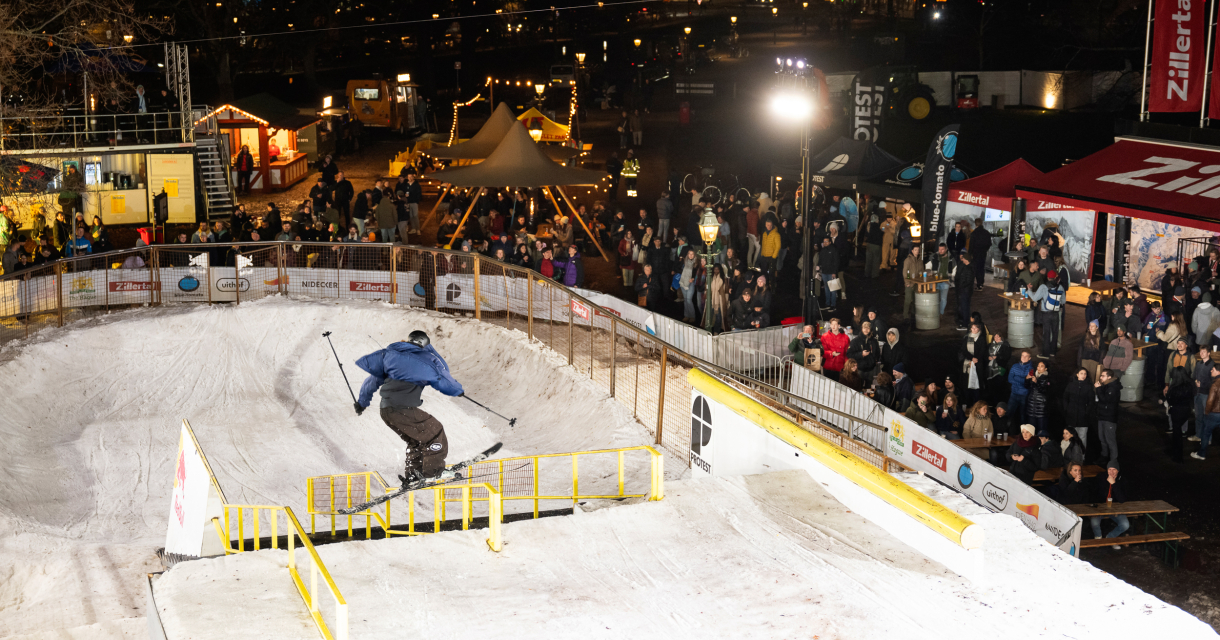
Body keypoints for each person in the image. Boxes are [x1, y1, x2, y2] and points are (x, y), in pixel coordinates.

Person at [354, 331, 464, 483]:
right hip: (402, 409)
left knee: (417, 440)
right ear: (425, 344)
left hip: (386, 410)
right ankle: (434, 472)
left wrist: (362, 403)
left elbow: (371, 382)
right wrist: (457, 390)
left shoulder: (390, 358)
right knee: (434, 431)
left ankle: (414, 473)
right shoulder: (426, 358)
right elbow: (443, 375)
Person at [1089, 461, 1129, 549]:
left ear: (1118, 471)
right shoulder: (1101, 477)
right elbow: (1094, 494)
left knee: (1125, 524)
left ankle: (1110, 538)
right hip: (1100, 508)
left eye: (1114, 469)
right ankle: (1098, 539)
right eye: (1109, 469)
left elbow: (1122, 499)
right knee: (1094, 522)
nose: (1111, 472)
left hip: (1115, 509)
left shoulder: (1122, 480)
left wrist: (1114, 484)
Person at [1062, 367, 1097, 450]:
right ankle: (1071, 456)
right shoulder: (1071, 385)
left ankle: (1081, 457)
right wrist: (1067, 409)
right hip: (1072, 415)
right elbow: (1065, 398)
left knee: (1082, 437)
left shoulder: (1088, 387)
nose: (1083, 375)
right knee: (1071, 436)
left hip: (1083, 416)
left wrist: (1086, 412)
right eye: (1081, 373)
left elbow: (1091, 401)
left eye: (1085, 374)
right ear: (1077, 374)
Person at [1166, 366, 1193, 463]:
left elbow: (1170, 400)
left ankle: (1178, 456)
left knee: (1177, 434)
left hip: (1177, 411)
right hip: (1186, 410)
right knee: (1179, 432)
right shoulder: (1189, 385)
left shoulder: (1174, 388)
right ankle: (1177, 453)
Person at [1095, 368, 1122, 464]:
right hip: (1102, 415)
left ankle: (1113, 460)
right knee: (1102, 438)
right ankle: (1104, 456)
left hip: (1109, 417)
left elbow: (1105, 400)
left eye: (1103, 376)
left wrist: (1098, 389)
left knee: (1110, 440)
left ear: (1109, 377)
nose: (1100, 377)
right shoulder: (1106, 386)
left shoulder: (1112, 388)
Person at [1193, 373, 1220, 460]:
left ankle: (1201, 454)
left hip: (1214, 413)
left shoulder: (1215, 384)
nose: (1211, 371)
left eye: (1213, 369)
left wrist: (1207, 413)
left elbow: (1210, 401)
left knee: (1205, 434)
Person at [1006, 350, 1034, 424]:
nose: (1023, 357)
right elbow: (1009, 379)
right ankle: (1006, 430)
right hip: (1014, 393)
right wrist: (1024, 379)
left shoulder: (1031, 369)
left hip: (1024, 395)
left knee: (1023, 416)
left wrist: (1016, 378)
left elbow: (1027, 384)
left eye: (1026, 356)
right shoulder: (1015, 366)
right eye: (1022, 355)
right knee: (1009, 413)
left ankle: (1022, 433)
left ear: (1029, 358)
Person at [1025, 360, 1052, 434]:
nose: (1039, 368)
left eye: (1041, 366)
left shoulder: (1048, 378)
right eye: (1038, 366)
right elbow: (1027, 387)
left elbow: (1045, 391)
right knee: (1031, 431)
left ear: (1046, 369)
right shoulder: (1034, 376)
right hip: (1031, 407)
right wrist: (1027, 379)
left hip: (1041, 409)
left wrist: (1036, 383)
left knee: (1042, 432)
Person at [817, 236, 840, 309]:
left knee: (833, 289)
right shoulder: (822, 250)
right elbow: (820, 260)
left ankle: (833, 305)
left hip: (831, 273)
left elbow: (836, 262)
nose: (825, 243)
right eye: (824, 241)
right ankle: (827, 304)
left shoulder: (833, 250)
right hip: (824, 272)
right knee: (826, 288)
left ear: (830, 242)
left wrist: (834, 272)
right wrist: (818, 266)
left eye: (826, 241)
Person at [900, 245, 922, 319]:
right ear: (912, 251)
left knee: (915, 300)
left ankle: (913, 314)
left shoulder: (920, 260)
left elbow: (922, 271)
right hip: (910, 283)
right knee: (908, 300)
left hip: (917, 283)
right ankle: (905, 315)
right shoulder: (908, 260)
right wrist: (907, 282)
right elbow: (905, 272)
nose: (917, 251)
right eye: (915, 250)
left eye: (918, 250)